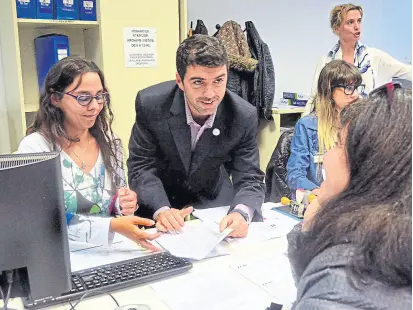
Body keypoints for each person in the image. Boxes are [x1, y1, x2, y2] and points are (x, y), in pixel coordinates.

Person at [287, 85, 412, 309]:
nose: (327, 156)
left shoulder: (343, 276)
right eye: (347, 88)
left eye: (338, 145)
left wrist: (311, 226)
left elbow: (324, 294)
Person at [127, 34, 265, 237]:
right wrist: (162, 210)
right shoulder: (151, 104)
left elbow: (250, 177)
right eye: (198, 82)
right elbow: (141, 166)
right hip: (160, 199)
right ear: (179, 81)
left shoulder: (243, 115)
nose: (210, 94)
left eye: (219, 80)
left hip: (212, 200)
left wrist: (241, 212)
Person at [18, 56, 160, 251]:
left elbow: (115, 203)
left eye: (100, 96)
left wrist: (122, 203)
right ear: (55, 98)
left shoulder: (110, 142)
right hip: (60, 256)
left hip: (109, 250)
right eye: (83, 97)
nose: (94, 106)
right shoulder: (35, 149)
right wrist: (110, 226)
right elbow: (40, 223)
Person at [307, 3, 411, 114]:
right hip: (335, 125)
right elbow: (314, 98)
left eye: (359, 21)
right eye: (350, 22)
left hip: (369, 125)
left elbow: (408, 71)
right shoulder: (326, 61)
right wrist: (304, 124)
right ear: (337, 28)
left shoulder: (375, 57)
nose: (357, 26)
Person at [287, 60, 362, 195]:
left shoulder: (360, 123)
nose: (356, 95)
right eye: (349, 88)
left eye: (357, 88)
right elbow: (295, 175)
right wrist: (320, 194)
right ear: (329, 90)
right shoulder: (307, 126)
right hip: (320, 202)